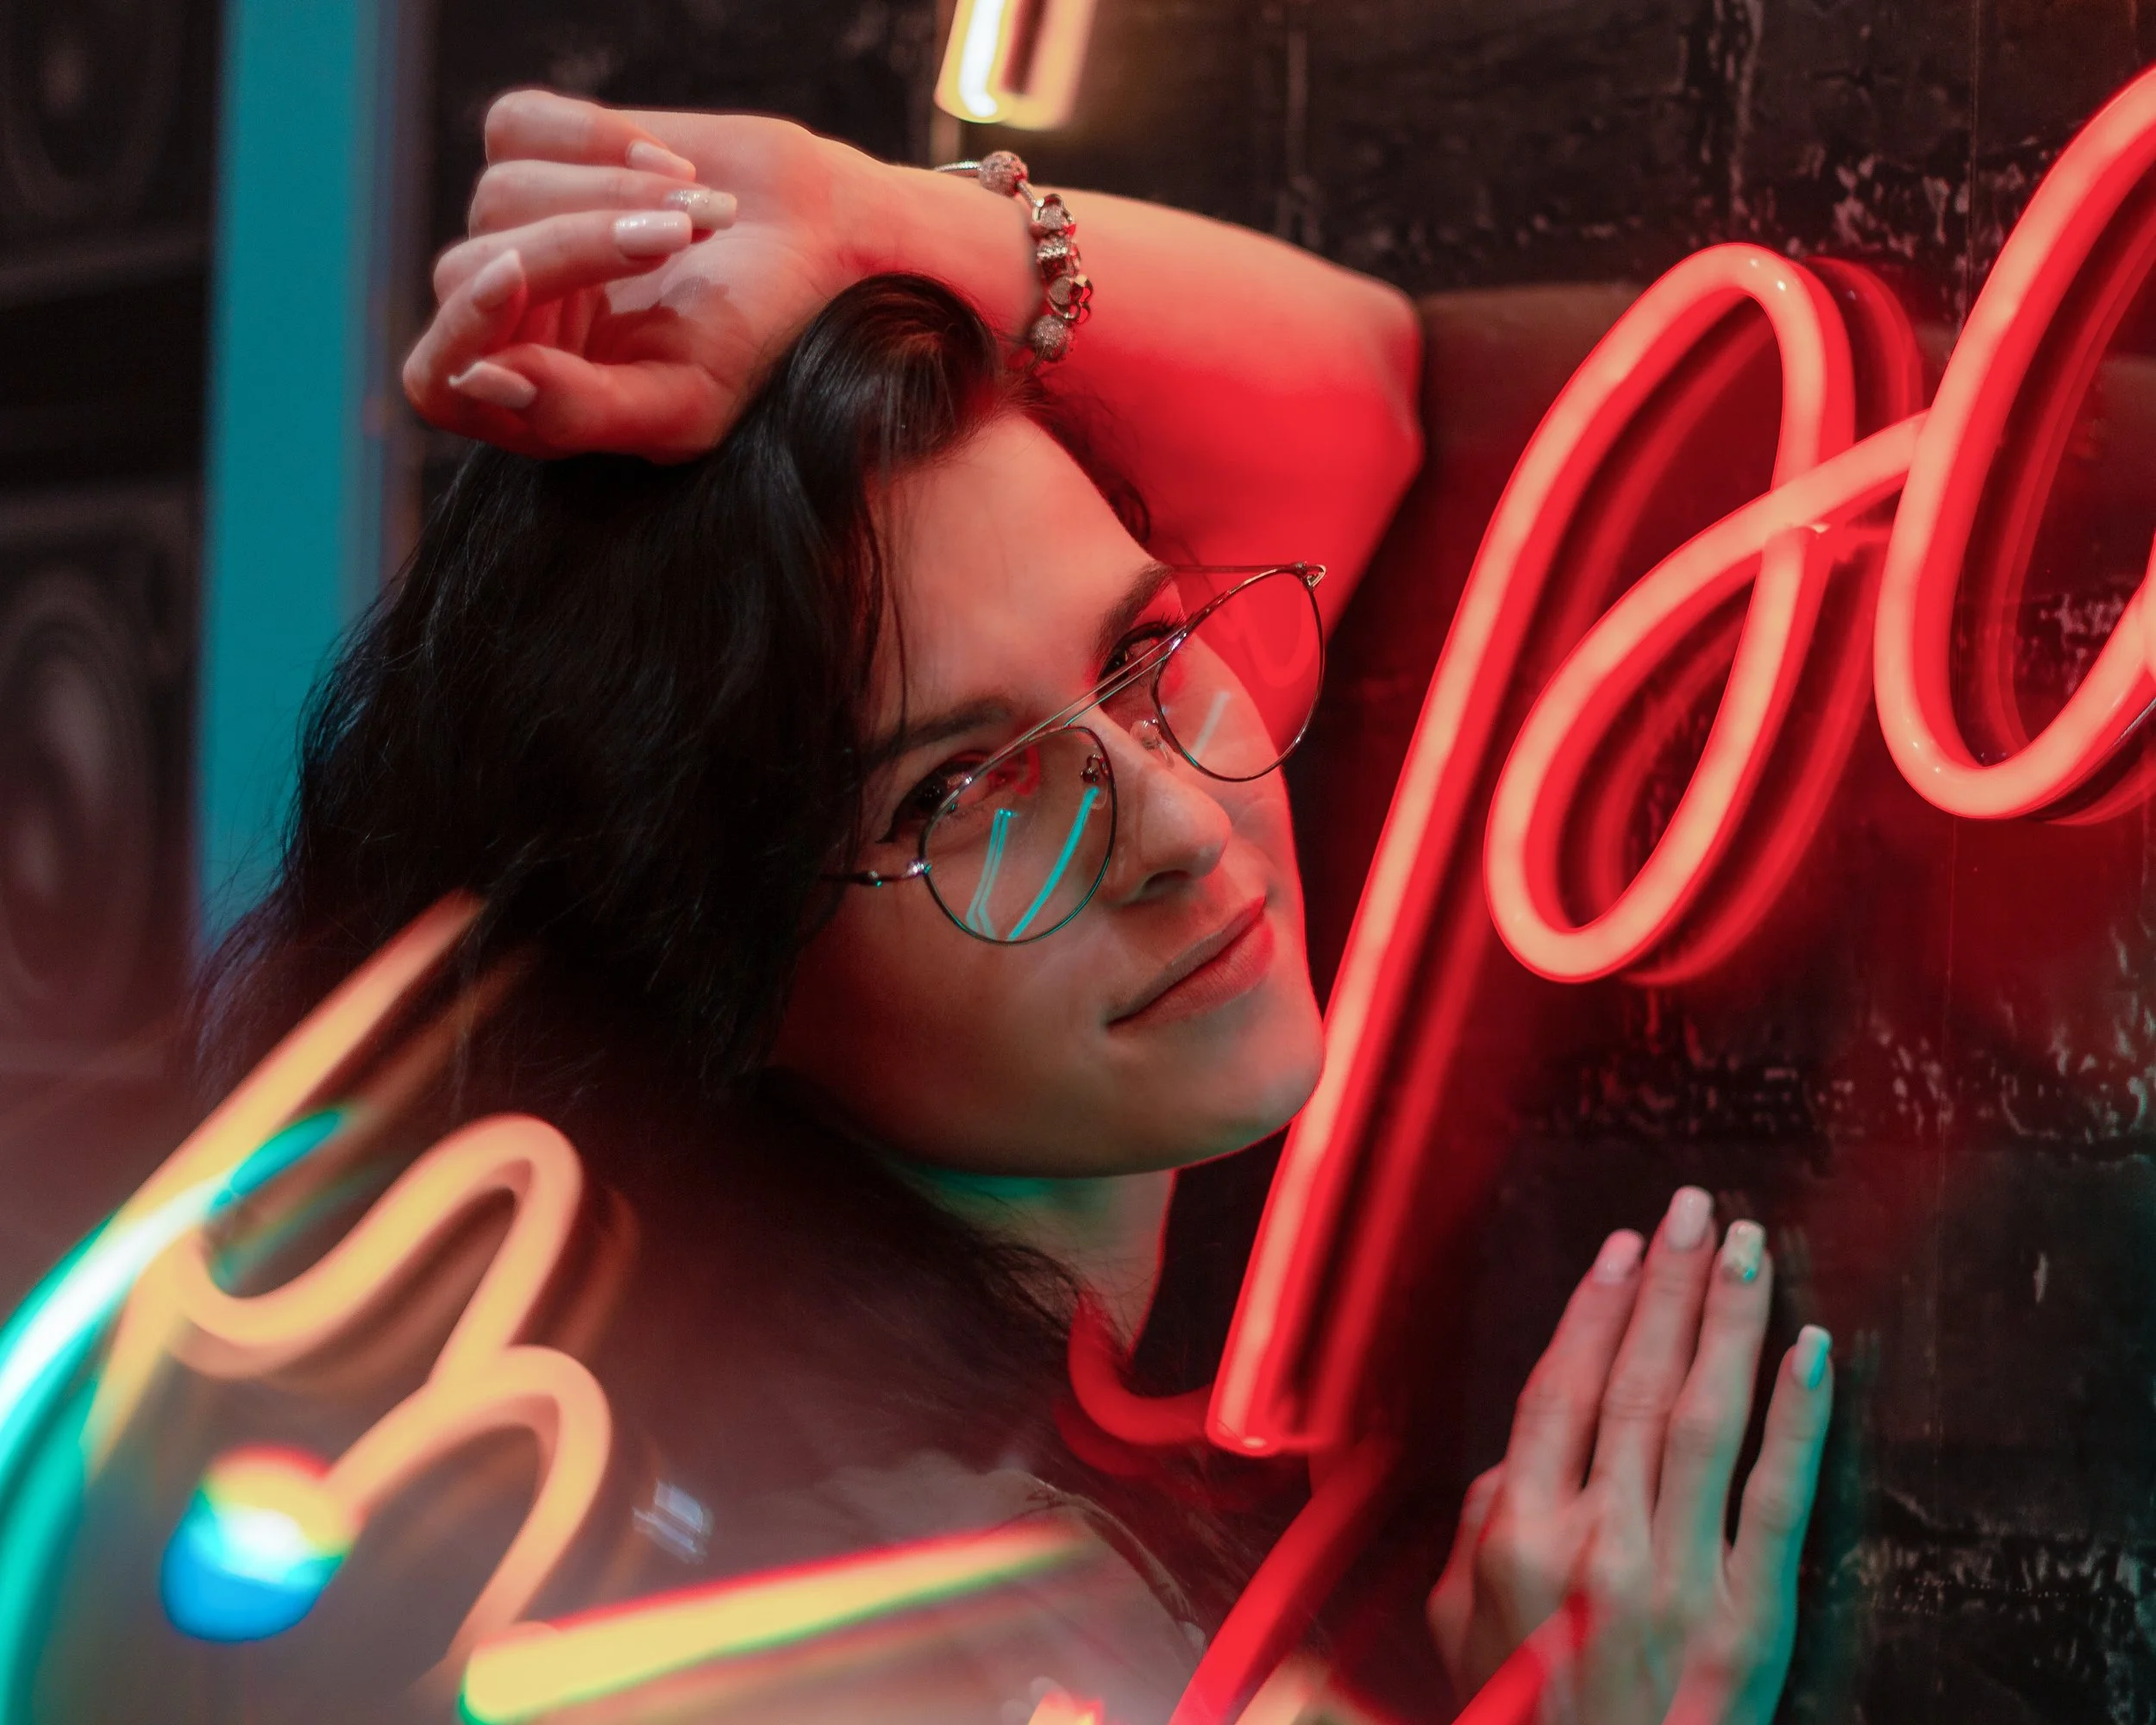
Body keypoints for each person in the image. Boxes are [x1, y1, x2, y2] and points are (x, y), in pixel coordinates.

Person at [35, 92, 1832, 1725]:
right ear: (709, 968)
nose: (1166, 818)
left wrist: (863, 225)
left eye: (1136, 655)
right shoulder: (916, 1627)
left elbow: (1359, 401)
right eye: (962, 789)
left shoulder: (818, 1476)